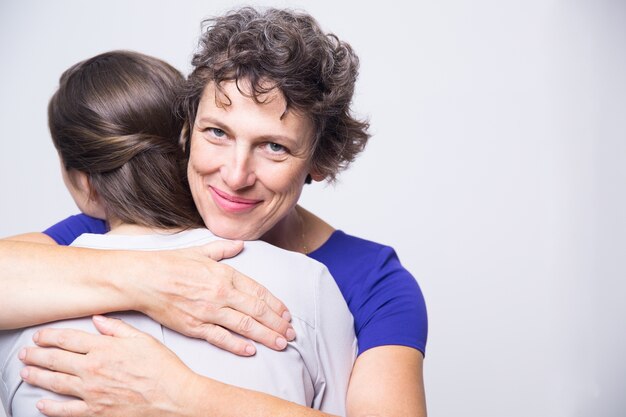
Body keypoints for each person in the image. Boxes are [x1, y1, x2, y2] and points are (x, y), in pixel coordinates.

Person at [2, 6, 428, 417]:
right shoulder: (111, 230)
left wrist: (183, 396)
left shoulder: (373, 281)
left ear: (319, 158)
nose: (236, 175)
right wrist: (148, 279)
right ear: (187, 130)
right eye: (217, 133)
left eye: (274, 146)